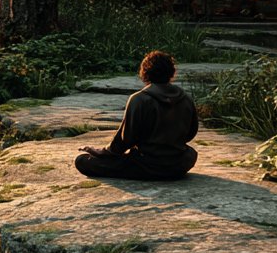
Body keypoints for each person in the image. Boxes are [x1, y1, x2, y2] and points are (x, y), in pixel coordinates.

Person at [75, 50, 199, 180]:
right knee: (191, 152)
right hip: (179, 165)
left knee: (82, 161)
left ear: (145, 72)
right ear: (171, 73)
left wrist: (104, 152)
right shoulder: (186, 98)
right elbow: (191, 133)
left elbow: (125, 141)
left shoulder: (139, 99)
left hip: (147, 165)